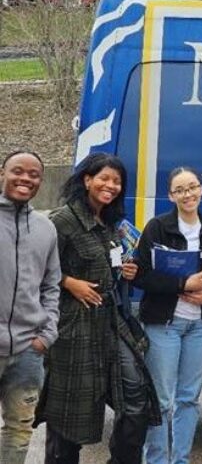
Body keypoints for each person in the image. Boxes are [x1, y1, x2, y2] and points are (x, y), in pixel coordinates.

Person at [39, 152, 160, 463]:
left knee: (136, 399)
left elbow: (108, 266)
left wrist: (125, 270)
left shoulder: (107, 223)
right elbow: (36, 269)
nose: (111, 185)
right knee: (70, 412)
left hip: (109, 320)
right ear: (87, 179)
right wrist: (69, 282)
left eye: (117, 181)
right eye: (104, 178)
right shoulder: (62, 220)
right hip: (73, 327)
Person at [133, 167, 202, 463]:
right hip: (164, 324)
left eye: (193, 187)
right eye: (180, 190)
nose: (187, 194)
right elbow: (141, 275)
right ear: (171, 195)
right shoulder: (157, 228)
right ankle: (157, 460)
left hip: (201, 325)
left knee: (189, 399)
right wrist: (181, 284)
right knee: (162, 401)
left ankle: (181, 459)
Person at [0, 150, 61, 463]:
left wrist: (46, 336)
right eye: (18, 171)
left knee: (20, 428)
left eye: (34, 174)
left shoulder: (45, 228)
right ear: (3, 173)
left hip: (28, 350)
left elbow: (52, 285)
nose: (25, 179)